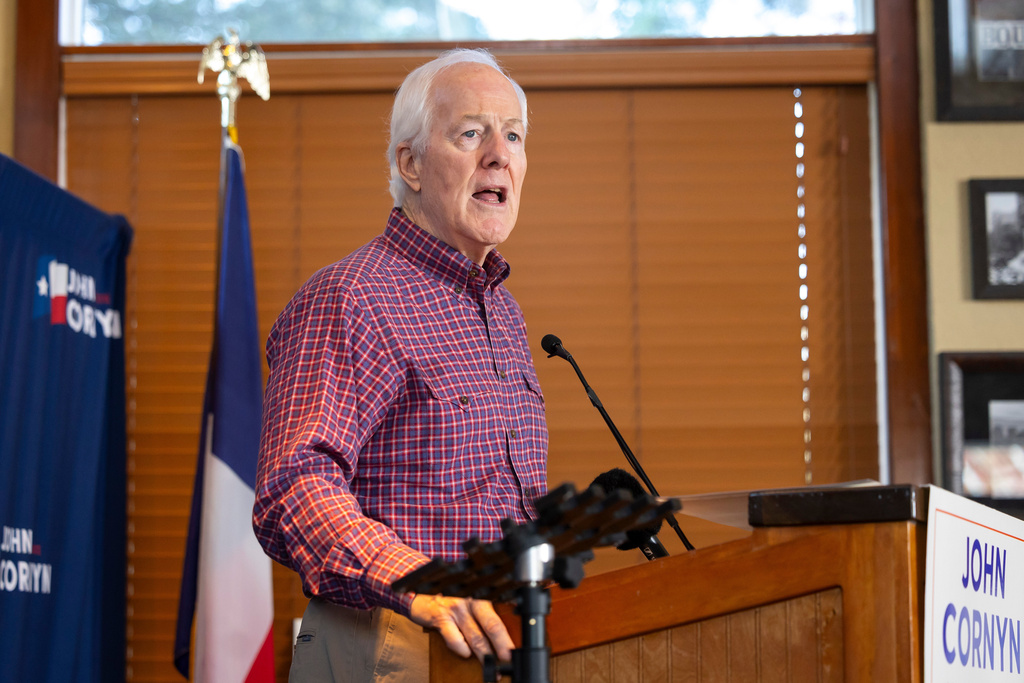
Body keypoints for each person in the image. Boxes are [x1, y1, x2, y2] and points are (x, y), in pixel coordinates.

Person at [253, 47, 548, 682]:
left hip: (503, 641)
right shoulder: (351, 298)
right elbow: (293, 490)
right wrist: (419, 581)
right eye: (471, 133)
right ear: (409, 163)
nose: (500, 153)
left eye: (515, 135)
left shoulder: (505, 311)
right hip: (394, 644)